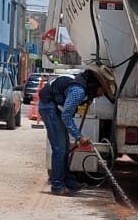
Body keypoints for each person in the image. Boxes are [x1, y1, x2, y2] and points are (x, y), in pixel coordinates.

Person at [37, 64, 115, 196]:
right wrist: (79, 136)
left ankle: (68, 182)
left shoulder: (82, 87)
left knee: (64, 148)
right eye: (102, 90)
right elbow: (66, 115)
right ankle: (57, 185)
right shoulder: (78, 91)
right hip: (49, 107)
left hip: (55, 106)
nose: (102, 94)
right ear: (96, 85)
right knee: (59, 149)